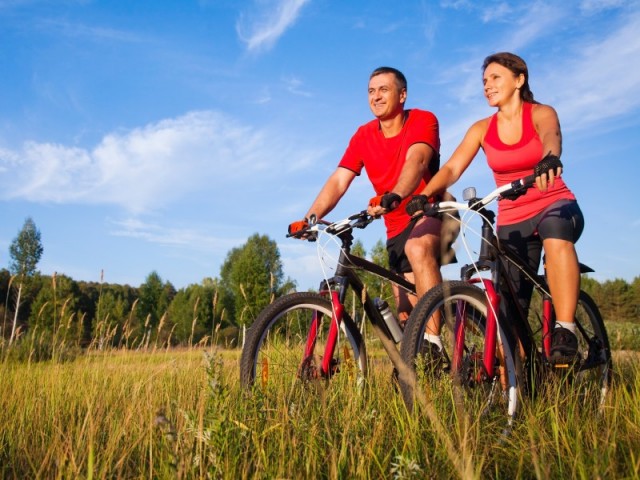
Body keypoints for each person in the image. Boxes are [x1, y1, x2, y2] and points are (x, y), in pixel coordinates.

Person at [408, 52, 584, 363]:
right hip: (511, 219)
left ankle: (565, 328)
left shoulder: (540, 113)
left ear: (519, 80)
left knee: (555, 235)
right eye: (484, 81)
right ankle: (518, 386)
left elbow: (551, 137)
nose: (487, 85)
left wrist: (549, 159)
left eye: (495, 78)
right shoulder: (481, 128)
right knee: (508, 313)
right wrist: (426, 194)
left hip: (554, 202)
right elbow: (451, 168)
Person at [289, 66, 446, 334]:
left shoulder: (422, 120)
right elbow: (339, 180)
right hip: (395, 227)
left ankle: (436, 348)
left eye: (384, 89)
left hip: (428, 213)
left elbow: (417, 161)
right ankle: (418, 364)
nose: (376, 96)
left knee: (417, 251)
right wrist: (310, 218)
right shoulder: (364, 135)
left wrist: (395, 195)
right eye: (371, 91)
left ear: (402, 95)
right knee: (407, 316)